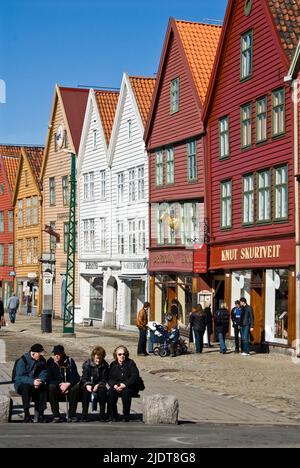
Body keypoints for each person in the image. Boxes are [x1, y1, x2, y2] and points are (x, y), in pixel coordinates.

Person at [14, 343, 48, 423]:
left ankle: (41, 414)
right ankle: (27, 414)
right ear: (33, 353)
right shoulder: (22, 360)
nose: (41, 356)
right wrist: (33, 382)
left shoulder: (42, 360)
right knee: (26, 388)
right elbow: (20, 377)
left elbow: (44, 372)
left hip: (36, 383)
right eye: (39, 354)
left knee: (43, 388)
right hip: (21, 384)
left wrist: (40, 381)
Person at [47, 345, 80, 422]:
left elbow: (76, 377)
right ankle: (56, 415)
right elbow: (48, 378)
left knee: (76, 387)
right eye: (55, 354)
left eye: (58, 354)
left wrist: (68, 384)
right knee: (51, 387)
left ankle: (72, 414)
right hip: (56, 387)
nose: (56, 356)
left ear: (62, 353)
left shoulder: (70, 361)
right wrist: (60, 385)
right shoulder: (50, 362)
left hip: (68, 386)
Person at [108, 345, 140, 422]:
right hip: (116, 385)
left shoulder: (130, 363)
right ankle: (114, 415)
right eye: (119, 354)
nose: (122, 356)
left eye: (123, 354)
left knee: (126, 392)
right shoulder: (113, 364)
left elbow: (135, 376)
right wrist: (115, 385)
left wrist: (124, 385)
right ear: (116, 355)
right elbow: (109, 378)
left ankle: (126, 415)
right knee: (111, 392)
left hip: (128, 386)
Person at [81, 346, 109, 422]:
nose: (98, 360)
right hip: (89, 384)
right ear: (93, 357)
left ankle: (102, 415)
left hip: (99, 385)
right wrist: (87, 385)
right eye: (96, 358)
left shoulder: (105, 365)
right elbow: (84, 378)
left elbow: (104, 379)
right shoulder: (87, 364)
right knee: (86, 392)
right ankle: (84, 415)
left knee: (102, 392)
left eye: (100, 358)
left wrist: (98, 384)